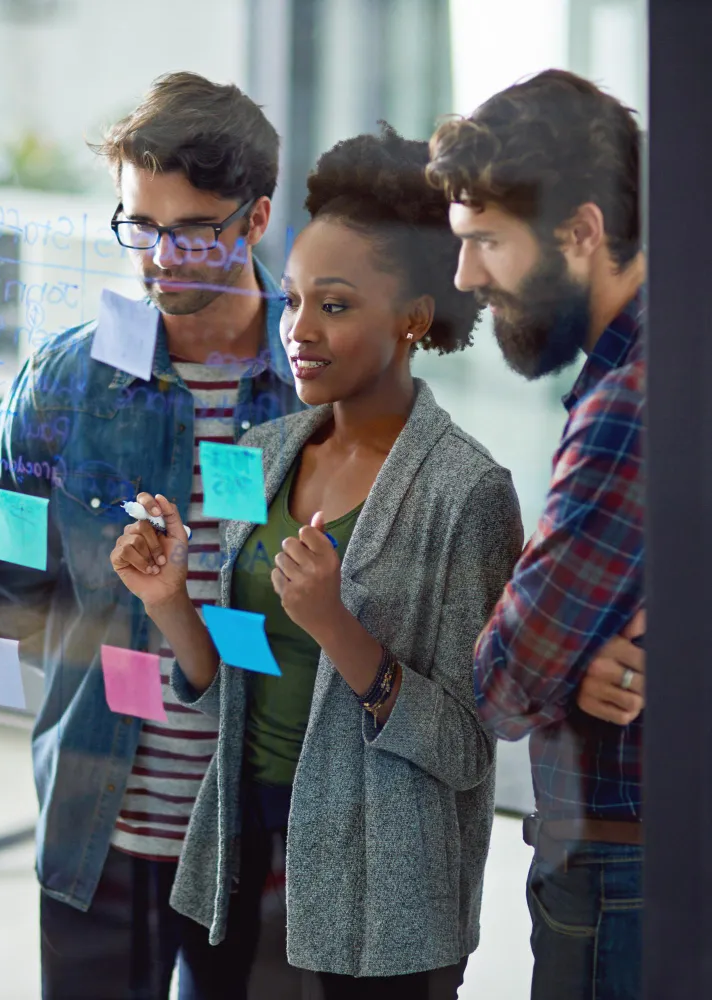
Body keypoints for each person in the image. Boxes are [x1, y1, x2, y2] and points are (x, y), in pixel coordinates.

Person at [109, 125, 525, 1000]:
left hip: (381, 892)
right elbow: (231, 680)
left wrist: (337, 626)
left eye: (333, 306)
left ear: (414, 315)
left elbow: (467, 748)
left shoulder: (468, 492)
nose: (297, 329)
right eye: (293, 301)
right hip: (237, 854)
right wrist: (170, 601)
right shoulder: (263, 451)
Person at [0, 71, 302, 999]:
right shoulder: (67, 379)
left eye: (190, 230)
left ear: (254, 219)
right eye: (137, 226)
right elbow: (9, 585)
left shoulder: (315, 385)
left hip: (263, 835)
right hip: (99, 826)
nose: (157, 259)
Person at [428, 69, 646, 1000]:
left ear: (582, 232)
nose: (466, 278)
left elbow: (511, 681)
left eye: (485, 244)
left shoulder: (627, 404)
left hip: (619, 874)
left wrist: (548, 641)